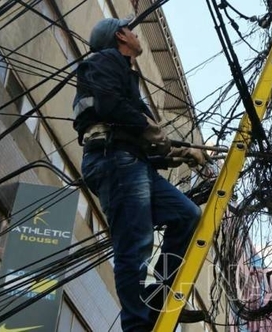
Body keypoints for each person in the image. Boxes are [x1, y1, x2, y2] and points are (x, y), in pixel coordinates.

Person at [73, 17, 207, 331]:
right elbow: (112, 108)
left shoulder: (126, 75)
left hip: (131, 160)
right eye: (131, 30)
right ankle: (137, 324)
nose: (136, 35)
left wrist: (178, 152)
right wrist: (152, 132)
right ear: (120, 35)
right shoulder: (105, 61)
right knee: (135, 245)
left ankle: (156, 299)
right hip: (113, 160)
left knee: (186, 215)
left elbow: (136, 132)